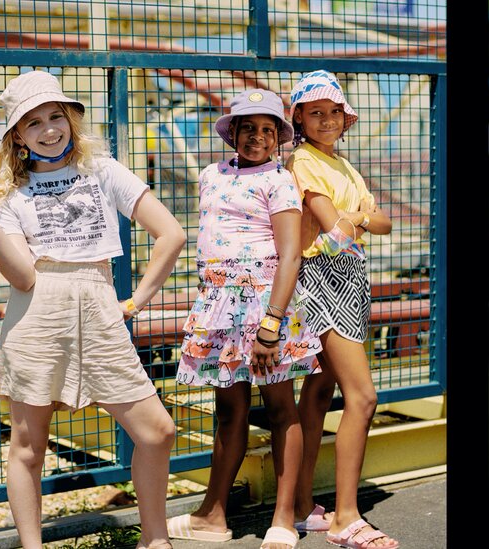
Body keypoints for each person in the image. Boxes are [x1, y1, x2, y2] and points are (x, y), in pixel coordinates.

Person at [0, 70, 185, 549]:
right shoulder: (7, 197)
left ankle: (154, 540)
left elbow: (172, 233)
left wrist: (136, 300)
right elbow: (22, 277)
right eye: (32, 123)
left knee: (157, 431)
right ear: (17, 136)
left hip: (99, 301)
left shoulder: (103, 171)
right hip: (38, 312)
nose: (48, 130)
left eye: (55, 116)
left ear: (71, 120)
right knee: (29, 447)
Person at [164, 88, 322, 549]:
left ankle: (283, 518)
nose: (257, 137)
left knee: (279, 408)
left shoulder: (280, 180)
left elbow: (290, 255)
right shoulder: (210, 174)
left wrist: (271, 324)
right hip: (218, 304)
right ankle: (213, 516)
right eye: (248, 127)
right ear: (232, 131)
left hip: (264, 305)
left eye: (268, 130)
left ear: (279, 137)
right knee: (229, 410)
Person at [282, 69, 398, 549]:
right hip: (323, 283)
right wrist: (356, 219)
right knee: (363, 397)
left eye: (334, 112)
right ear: (301, 119)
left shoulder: (344, 167)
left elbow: (383, 223)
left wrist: (355, 221)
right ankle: (346, 517)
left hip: (349, 281)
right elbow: (334, 233)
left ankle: (307, 507)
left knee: (318, 392)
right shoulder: (304, 161)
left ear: (344, 118)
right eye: (316, 113)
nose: (327, 120)